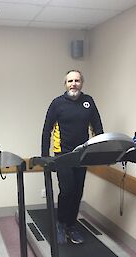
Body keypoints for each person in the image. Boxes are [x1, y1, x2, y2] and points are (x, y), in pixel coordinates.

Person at [41, 70, 103, 244]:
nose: (73, 84)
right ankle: (61, 223)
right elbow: (47, 130)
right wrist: (45, 157)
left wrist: (100, 151)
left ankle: (71, 225)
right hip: (62, 155)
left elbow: (97, 127)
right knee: (66, 190)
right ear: (65, 84)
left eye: (77, 80)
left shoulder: (88, 102)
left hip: (82, 155)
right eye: (70, 81)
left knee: (77, 192)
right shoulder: (57, 104)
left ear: (81, 83)